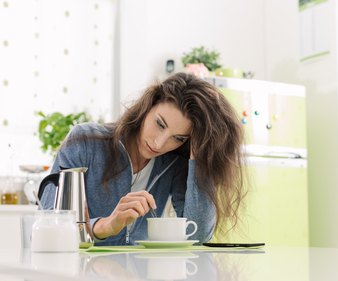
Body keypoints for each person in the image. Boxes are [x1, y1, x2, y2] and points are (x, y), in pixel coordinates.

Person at [40, 72, 246, 246]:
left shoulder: (174, 163)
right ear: (147, 107)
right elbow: (48, 225)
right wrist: (106, 225)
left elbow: (198, 235)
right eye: (159, 124)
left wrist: (200, 155)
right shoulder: (84, 140)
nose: (159, 144)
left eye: (178, 138)